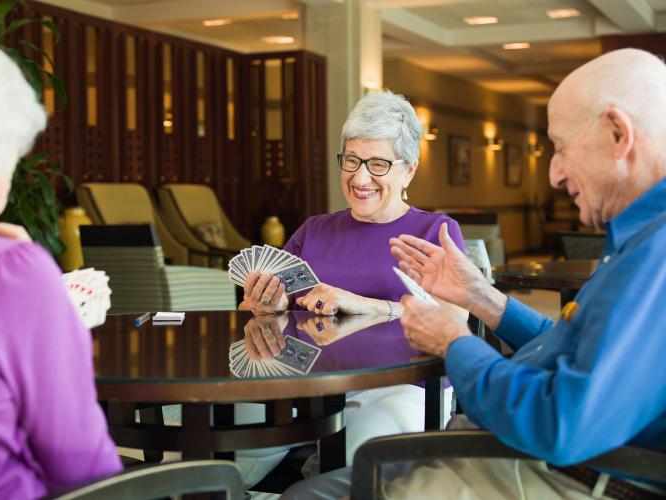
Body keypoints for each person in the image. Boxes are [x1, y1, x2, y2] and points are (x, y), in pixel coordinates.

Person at [283, 48, 666, 499]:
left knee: (306, 495)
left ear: (618, 134)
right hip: (513, 450)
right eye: (352, 160)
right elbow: (565, 344)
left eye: (560, 147)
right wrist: (482, 297)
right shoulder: (637, 239)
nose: (555, 173)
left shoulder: (655, 255)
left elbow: (561, 425)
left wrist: (455, 343)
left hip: (554, 472)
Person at [234, 90, 467, 485]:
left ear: (408, 170)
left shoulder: (434, 231)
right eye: (352, 160)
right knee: (229, 446)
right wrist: (265, 306)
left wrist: (371, 306)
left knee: (353, 468)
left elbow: (455, 318)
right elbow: (261, 313)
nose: (360, 178)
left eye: (378, 164)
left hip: (403, 386)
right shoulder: (315, 229)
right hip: (305, 381)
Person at [0, 30, 121, 498]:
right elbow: (81, 465)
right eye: (5, 166)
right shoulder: (6, 273)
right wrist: (27, 277)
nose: (4, 192)